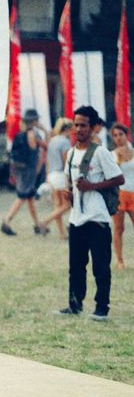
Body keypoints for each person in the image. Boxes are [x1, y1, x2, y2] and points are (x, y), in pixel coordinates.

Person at [56, 106, 124, 321]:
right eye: (76, 125)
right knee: (76, 265)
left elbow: (118, 178)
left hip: (97, 218)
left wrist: (91, 187)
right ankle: (74, 304)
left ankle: (101, 307)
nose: (78, 129)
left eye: (83, 125)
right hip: (77, 217)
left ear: (93, 127)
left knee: (100, 266)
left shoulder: (100, 152)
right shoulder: (71, 153)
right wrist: (70, 193)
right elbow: (72, 182)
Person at [1, 109, 48, 236]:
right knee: (22, 196)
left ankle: (37, 225)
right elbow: (46, 146)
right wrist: (45, 131)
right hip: (29, 170)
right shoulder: (34, 134)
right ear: (34, 121)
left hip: (20, 169)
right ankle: (6, 221)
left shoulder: (20, 134)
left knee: (30, 197)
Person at [39, 118, 73, 238]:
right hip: (60, 175)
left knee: (58, 205)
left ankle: (62, 233)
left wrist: (47, 176)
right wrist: (70, 177)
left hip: (52, 175)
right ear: (68, 129)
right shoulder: (65, 142)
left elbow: (47, 160)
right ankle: (45, 222)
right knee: (67, 205)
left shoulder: (52, 141)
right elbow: (66, 161)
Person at [111, 122, 134, 269]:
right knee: (119, 228)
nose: (118, 138)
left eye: (121, 134)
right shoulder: (112, 155)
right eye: (115, 135)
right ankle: (120, 261)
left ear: (126, 135)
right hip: (119, 195)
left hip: (133, 193)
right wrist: (118, 160)